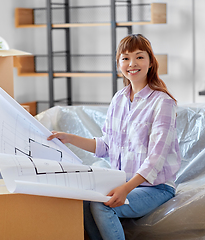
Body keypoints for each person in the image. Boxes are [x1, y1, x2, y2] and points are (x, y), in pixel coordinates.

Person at [47, 34, 181, 240]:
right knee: (83, 200)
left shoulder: (162, 102)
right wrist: (69, 138)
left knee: (102, 205)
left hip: (157, 187)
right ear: (118, 63)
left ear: (151, 62)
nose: (132, 64)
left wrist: (125, 189)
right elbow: (107, 146)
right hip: (122, 181)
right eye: (125, 58)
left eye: (139, 57)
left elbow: (156, 159)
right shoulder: (119, 99)